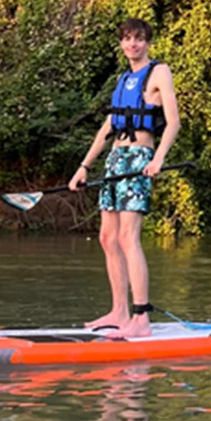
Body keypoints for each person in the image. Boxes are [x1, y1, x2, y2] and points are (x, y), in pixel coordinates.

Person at [70, 19, 180, 340]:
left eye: (140, 39)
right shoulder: (123, 79)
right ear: (121, 44)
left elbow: (173, 123)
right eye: (128, 39)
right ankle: (118, 312)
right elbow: (107, 129)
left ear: (148, 43)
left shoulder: (159, 72)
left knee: (129, 238)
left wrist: (158, 159)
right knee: (108, 238)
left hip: (139, 159)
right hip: (115, 161)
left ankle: (141, 318)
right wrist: (84, 167)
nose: (133, 45)